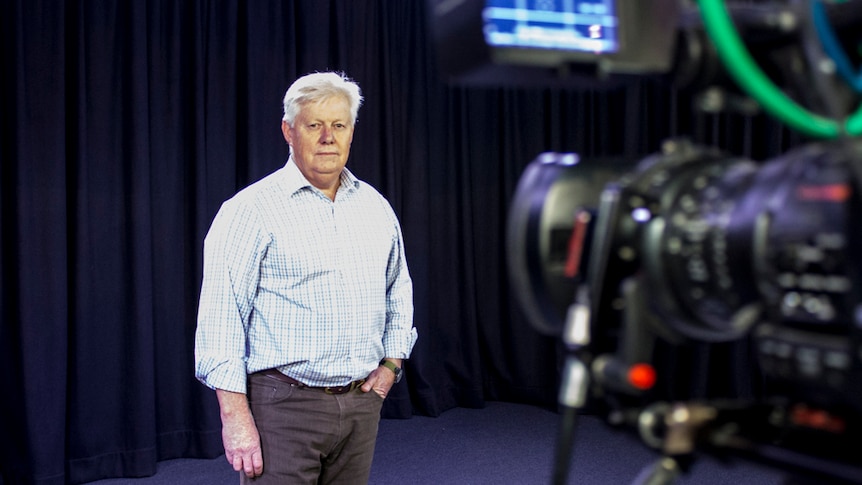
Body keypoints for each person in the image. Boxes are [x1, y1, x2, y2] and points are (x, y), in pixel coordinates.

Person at [194, 71, 417, 484]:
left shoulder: (376, 207)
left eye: (339, 125)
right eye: (314, 125)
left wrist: (390, 365)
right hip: (283, 407)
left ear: (351, 132)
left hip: (361, 404)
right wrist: (235, 419)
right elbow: (220, 321)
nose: (328, 137)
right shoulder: (250, 211)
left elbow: (398, 292)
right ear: (289, 131)